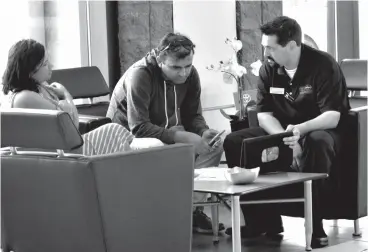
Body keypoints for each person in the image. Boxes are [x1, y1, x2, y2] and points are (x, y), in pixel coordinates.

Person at [223, 16, 350, 247]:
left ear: (292, 45)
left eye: (271, 47)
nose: (265, 52)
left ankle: (316, 225)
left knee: (317, 142)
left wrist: (300, 131)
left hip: (319, 128)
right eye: (265, 46)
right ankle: (261, 222)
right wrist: (285, 137)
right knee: (235, 141)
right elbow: (264, 114)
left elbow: (333, 116)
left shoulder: (323, 65)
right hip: (282, 130)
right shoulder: (269, 68)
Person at [106, 33, 224, 233]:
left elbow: (192, 116)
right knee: (165, 144)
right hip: (124, 139)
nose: (183, 73)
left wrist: (202, 132)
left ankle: (190, 210)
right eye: (176, 68)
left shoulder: (191, 74)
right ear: (160, 60)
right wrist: (182, 137)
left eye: (187, 66)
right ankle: (170, 212)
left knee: (213, 147)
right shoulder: (140, 75)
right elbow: (139, 128)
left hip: (161, 132)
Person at [1, 39, 140, 156]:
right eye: (45, 64)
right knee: (115, 132)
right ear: (30, 71)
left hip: (60, 150)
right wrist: (66, 95)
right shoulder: (26, 98)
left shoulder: (35, 90)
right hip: (61, 154)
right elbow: (72, 128)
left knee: (117, 133)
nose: (51, 66)